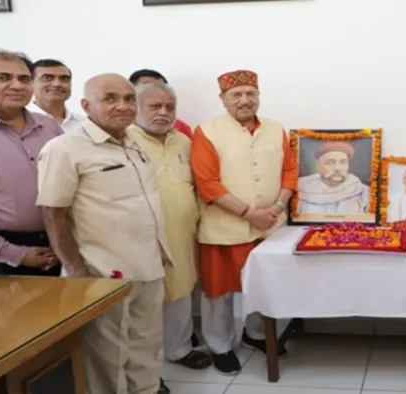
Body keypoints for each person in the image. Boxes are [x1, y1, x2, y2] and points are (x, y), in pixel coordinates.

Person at [37, 73, 172, 394]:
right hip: (103, 274)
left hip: (149, 266)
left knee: (146, 348)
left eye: (128, 99)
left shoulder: (135, 140)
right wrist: (76, 271)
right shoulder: (64, 148)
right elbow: (53, 213)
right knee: (107, 358)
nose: (123, 106)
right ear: (86, 105)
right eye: (110, 99)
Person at [191, 69, 298, 374]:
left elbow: (289, 172)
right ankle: (220, 345)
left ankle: (257, 334)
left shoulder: (276, 129)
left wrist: (277, 206)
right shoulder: (207, 131)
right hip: (224, 227)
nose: (245, 99)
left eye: (251, 93)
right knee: (219, 291)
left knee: (265, 285)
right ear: (223, 99)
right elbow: (207, 183)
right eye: (236, 95)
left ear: (259, 96)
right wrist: (250, 213)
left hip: (272, 226)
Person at [128, 82, 211, 393]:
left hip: (182, 233)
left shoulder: (184, 141)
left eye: (169, 107)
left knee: (180, 294)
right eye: (154, 106)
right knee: (144, 308)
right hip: (141, 239)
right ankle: (147, 374)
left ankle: (178, 350)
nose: (163, 113)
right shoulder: (123, 140)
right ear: (136, 107)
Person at [0, 49, 62, 276]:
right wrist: (13, 253)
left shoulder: (49, 126)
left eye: (24, 79)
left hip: (58, 244)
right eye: (3, 78)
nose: (17, 85)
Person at [297, 141, 371, 214]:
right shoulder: (302, 191)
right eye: (330, 162)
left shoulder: (363, 192)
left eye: (343, 162)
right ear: (318, 166)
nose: (337, 168)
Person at [129, 69, 193, 139]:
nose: (163, 113)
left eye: (159, 87)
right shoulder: (121, 128)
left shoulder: (180, 129)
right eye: (146, 86)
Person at [26, 59, 85, 132]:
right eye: (48, 78)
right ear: (30, 83)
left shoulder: (85, 124)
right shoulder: (20, 122)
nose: (57, 84)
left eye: (64, 78)